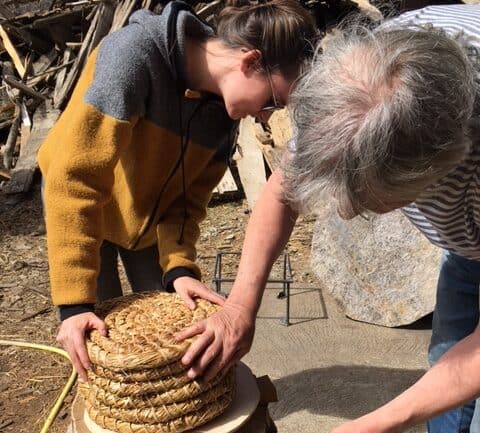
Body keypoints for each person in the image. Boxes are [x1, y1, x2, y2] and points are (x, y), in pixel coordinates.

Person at [177, 3, 480, 433]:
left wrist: (376, 425)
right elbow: (283, 191)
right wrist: (240, 304)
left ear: (435, 164)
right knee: (448, 341)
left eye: (371, 202)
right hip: (466, 236)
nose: (351, 215)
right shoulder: (360, 81)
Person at [39, 0, 317, 381]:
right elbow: (75, 179)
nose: (266, 116)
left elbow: (187, 201)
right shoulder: (132, 56)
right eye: (273, 101)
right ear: (250, 62)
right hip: (88, 216)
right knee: (101, 341)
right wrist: (73, 306)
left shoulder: (222, 117)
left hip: (147, 226)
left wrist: (179, 267)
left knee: (165, 339)